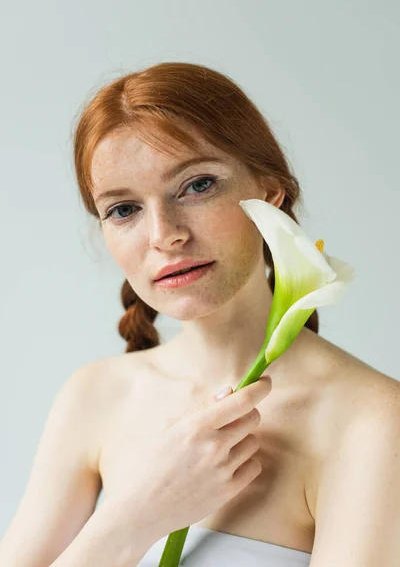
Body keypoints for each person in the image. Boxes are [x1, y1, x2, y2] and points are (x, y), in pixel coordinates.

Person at [1, 62, 399, 567]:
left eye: (197, 185)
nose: (164, 234)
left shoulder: (371, 422)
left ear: (270, 193)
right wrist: (137, 515)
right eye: (124, 210)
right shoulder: (94, 396)